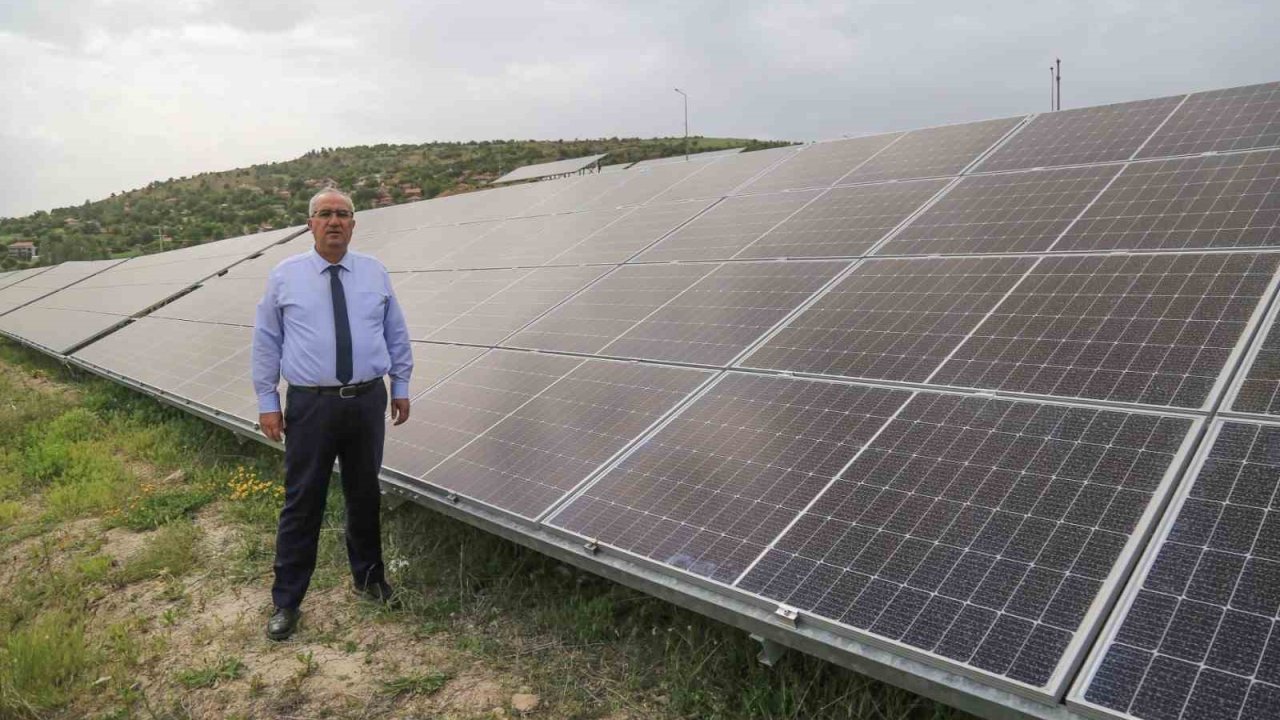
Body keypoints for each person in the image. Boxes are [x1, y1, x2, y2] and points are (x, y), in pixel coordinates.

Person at [251, 187, 413, 641]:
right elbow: (267, 341)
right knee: (303, 500)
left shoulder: (374, 273)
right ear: (310, 224)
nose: (334, 221)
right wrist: (268, 401)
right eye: (325, 214)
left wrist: (400, 385)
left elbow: (395, 332)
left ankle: (370, 579)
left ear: (354, 224)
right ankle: (287, 600)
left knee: (364, 494)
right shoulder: (285, 276)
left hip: (366, 400)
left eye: (343, 214)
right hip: (311, 404)